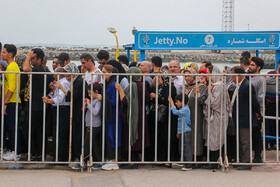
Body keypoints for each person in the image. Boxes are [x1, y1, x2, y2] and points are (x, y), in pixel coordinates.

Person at [115, 67, 150, 166]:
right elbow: (147, 100)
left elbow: (124, 101)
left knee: (131, 137)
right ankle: (136, 160)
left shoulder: (131, 86)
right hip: (141, 116)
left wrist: (120, 89)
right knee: (139, 137)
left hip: (131, 116)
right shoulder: (142, 85)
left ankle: (132, 161)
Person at [231, 66, 260, 170]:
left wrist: (258, 113)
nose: (232, 78)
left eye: (233, 75)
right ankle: (241, 160)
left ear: (239, 75)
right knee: (240, 140)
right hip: (239, 118)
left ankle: (246, 162)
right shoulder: (239, 85)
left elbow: (254, 101)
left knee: (245, 141)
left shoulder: (247, 86)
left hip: (245, 118)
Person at [203, 66, 230, 169]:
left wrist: (208, 92)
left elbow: (214, 102)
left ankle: (214, 162)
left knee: (216, 139)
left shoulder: (219, 86)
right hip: (214, 117)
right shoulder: (214, 85)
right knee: (212, 139)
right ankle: (213, 161)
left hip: (218, 116)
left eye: (209, 73)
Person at [22, 48, 46, 160]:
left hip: (35, 107)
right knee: (34, 130)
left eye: (33, 58)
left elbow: (25, 68)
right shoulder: (39, 69)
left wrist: (27, 57)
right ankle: (36, 153)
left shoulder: (39, 70)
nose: (31, 60)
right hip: (33, 105)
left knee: (28, 130)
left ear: (39, 59)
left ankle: (34, 153)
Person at [42, 67, 70, 161]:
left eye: (55, 73)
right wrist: (53, 90)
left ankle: (60, 157)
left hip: (62, 109)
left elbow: (60, 99)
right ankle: (58, 156)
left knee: (60, 134)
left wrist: (48, 101)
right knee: (58, 133)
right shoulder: (62, 82)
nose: (53, 75)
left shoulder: (62, 83)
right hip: (61, 109)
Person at [150, 71, 178, 163]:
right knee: (160, 138)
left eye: (159, 78)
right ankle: (160, 159)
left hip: (168, 116)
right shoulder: (159, 88)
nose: (157, 79)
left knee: (168, 138)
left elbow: (167, 100)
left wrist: (156, 98)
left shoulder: (171, 88)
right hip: (159, 117)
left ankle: (169, 159)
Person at [1, 44, 21, 161]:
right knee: (10, 127)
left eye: (4, 52)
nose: (2, 54)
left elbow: (12, 87)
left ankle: (16, 152)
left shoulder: (11, 67)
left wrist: (5, 102)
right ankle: (13, 150)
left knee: (12, 128)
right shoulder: (11, 66)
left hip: (12, 102)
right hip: (12, 102)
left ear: (10, 54)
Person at [101, 64, 122, 170]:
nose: (102, 74)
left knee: (112, 136)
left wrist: (102, 99)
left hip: (113, 115)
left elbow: (115, 102)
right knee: (110, 136)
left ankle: (114, 160)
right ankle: (110, 158)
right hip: (109, 114)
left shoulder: (113, 84)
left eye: (104, 72)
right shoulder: (107, 84)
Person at [184, 68, 207, 162]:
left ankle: (197, 157)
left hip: (196, 115)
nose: (187, 78)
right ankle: (189, 157)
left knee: (196, 136)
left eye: (189, 76)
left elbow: (203, 101)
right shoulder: (187, 87)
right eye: (185, 76)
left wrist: (197, 93)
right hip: (188, 116)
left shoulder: (200, 86)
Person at [168, 94, 192, 171]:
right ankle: (183, 161)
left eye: (177, 102)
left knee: (187, 147)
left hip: (186, 131)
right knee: (181, 147)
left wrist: (171, 103)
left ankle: (189, 163)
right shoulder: (183, 109)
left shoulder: (185, 109)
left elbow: (175, 112)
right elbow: (180, 122)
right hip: (182, 131)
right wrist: (178, 132)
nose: (176, 103)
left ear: (182, 102)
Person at [248, 57, 265, 163]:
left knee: (256, 134)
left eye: (253, 65)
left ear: (258, 68)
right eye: (250, 64)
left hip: (256, 111)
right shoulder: (248, 77)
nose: (250, 66)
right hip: (247, 110)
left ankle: (258, 157)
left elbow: (260, 97)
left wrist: (258, 112)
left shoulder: (261, 79)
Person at [84, 83, 102, 166]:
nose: (89, 95)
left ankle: (83, 160)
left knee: (87, 143)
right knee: (94, 144)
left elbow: (95, 112)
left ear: (96, 92)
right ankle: (98, 161)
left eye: (90, 93)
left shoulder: (98, 101)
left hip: (94, 125)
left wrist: (88, 104)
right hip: (90, 124)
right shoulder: (94, 100)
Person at [265, 60, 280, 150]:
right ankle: (268, 144)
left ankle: (277, 144)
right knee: (268, 125)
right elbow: (265, 86)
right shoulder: (270, 73)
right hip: (270, 103)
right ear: (278, 64)